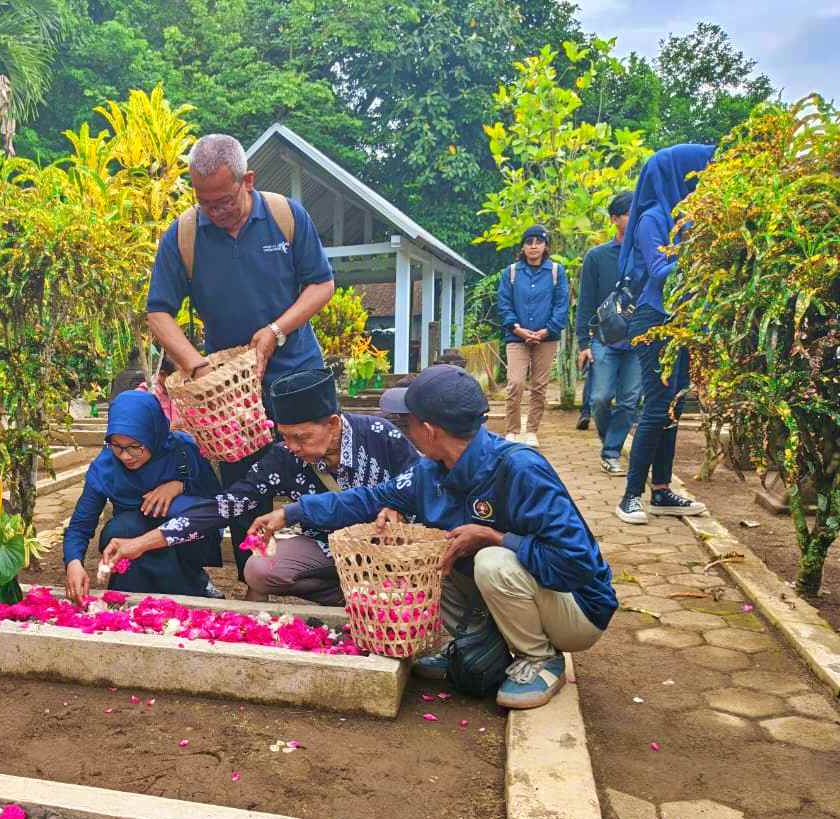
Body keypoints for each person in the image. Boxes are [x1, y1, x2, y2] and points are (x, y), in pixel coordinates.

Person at [246, 366, 617, 709]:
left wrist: (497, 537)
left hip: (578, 610)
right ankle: (470, 643)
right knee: (443, 548)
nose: (403, 429)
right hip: (527, 594)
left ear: (430, 429)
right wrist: (289, 513)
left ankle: (539, 658)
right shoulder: (431, 470)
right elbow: (367, 499)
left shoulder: (519, 469)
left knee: (490, 559)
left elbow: (576, 563)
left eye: (407, 422)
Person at [146, 133, 336, 581]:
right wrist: (197, 365)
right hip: (230, 392)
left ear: (247, 180)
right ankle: (255, 575)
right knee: (241, 487)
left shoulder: (286, 216)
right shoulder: (185, 234)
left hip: (297, 374)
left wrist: (275, 331)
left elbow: (321, 285)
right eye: (205, 202)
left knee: (320, 468)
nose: (217, 211)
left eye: (225, 200)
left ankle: (330, 568)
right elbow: (159, 312)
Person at [99, 369, 417, 605]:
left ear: (332, 424)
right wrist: (139, 544)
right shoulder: (283, 458)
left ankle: (374, 597)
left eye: (301, 437)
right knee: (259, 569)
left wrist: (398, 507)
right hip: (325, 546)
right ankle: (347, 598)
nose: (290, 446)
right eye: (284, 436)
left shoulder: (380, 436)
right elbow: (222, 507)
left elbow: (422, 486)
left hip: (384, 551)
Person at [615, 145, 715, 525]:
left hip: (679, 323)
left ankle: (661, 491)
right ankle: (629, 497)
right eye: (693, 174)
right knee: (657, 408)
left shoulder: (684, 218)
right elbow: (659, 269)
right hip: (654, 321)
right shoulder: (652, 218)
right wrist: (703, 259)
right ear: (675, 174)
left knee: (672, 409)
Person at [63, 391, 221, 602]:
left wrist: (180, 486)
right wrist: (73, 563)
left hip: (183, 542)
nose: (126, 456)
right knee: (121, 529)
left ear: (153, 433)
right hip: (130, 540)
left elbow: (217, 500)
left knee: (187, 517)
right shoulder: (106, 467)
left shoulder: (182, 451)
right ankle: (137, 590)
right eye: (117, 446)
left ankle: (192, 582)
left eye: (135, 447)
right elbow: (80, 525)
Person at [576, 191, 640, 475]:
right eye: (627, 212)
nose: (633, 216)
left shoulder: (648, 254)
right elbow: (586, 302)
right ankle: (609, 440)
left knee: (629, 400)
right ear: (615, 219)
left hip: (639, 340)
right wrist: (583, 343)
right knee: (600, 398)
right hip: (603, 339)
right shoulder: (597, 257)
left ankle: (611, 451)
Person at [498, 225, 569, 446]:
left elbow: (561, 304)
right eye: (529, 242)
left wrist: (547, 330)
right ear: (523, 246)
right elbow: (504, 304)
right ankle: (512, 430)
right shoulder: (510, 273)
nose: (534, 246)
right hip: (516, 337)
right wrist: (517, 328)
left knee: (539, 386)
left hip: (546, 338)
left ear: (546, 245)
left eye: (539, 242)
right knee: (515, 383)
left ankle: (531, 431)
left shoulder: (557, 272)